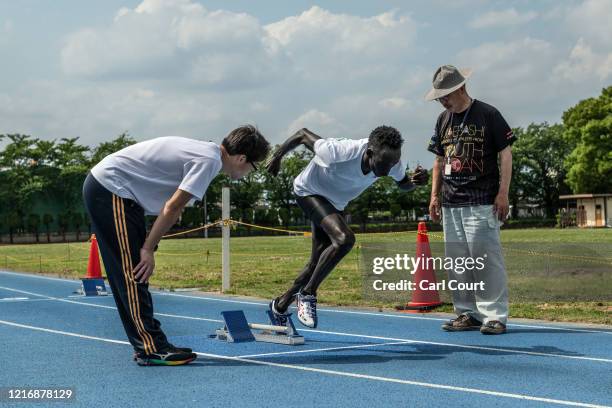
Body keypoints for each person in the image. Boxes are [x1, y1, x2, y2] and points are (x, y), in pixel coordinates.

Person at [83, 125, 270, 365]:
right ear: (242, 158)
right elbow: (172, 207)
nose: (250, 173)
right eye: (252, 168)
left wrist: (149, 247)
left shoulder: (208, 154)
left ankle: (148, 344)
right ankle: (151, 347)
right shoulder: (208, 160)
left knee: (135, 270)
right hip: (110, 188)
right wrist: (148, 249)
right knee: (133, 271)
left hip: (117, 191)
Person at [266, 126, 428, 328]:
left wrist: (417, 182)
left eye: (393, 163)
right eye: (383, 163)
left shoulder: (392, 161)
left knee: (317, 264)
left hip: (335, 205)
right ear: (369, 152)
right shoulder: (340, 150)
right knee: (344, 239)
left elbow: (403, 184)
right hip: (309, 191)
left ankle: (280, 305)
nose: (387, 170)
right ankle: (307, 295)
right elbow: (302, 134)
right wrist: (277, 156)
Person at [425, 65, 515, 335]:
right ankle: (467, 313)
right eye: (439, 97)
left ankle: (494, 316)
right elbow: (439, 161)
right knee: (458, 263)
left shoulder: (488, 114)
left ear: (460, 88)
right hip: (451, 202)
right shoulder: (443, 120)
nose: (442, 101)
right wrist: (434, 196)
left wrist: (503, 193)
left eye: (446, 96)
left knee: (485, 260)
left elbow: (506, 155)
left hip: (481, 200)